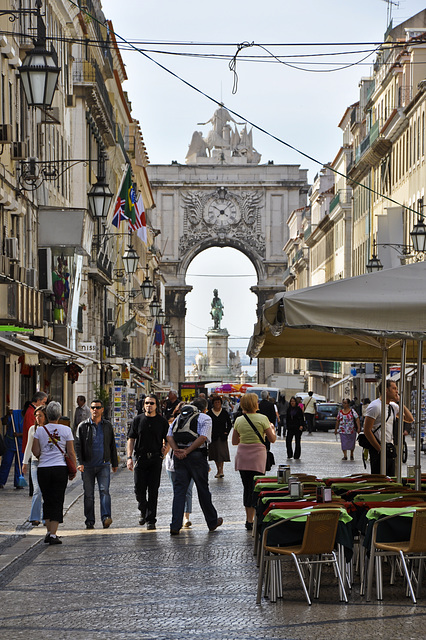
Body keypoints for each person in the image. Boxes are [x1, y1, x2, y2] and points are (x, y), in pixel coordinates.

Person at [167, 397, 223, 535]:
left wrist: (176, 450)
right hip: (196, 456)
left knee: (179, 491)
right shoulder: (204, 418)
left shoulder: (179, 417)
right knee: (203, 489)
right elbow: (203, 437)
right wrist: (188, 451)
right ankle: (212, 521)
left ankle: (175, 525)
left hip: (179, 457)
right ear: (205, 408)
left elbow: (169, 436)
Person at [32, 401, 76, 545]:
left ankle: (48, 531)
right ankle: (53, 533)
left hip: (44, 469)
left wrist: (44, 455)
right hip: (59, 468)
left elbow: (35, 451)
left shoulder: (39, 431)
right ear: (59, 415)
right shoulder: (66, 430)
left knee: (47, 499)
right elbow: (70, 452)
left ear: (47, 415)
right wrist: (73, 468)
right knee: (57, 499)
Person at [233, 392, 276, 530]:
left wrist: (245, 437)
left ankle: (248, 520)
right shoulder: (263, 419)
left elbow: (234, 441)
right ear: (253, 404)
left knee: (247, 487)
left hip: (243, 455)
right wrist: (272, 429)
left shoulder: (239, 420)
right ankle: (258, 518)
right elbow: (272, 439)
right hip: (258, 456)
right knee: (257, 487)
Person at [74, 399, 118, 530]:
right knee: (88, 494)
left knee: (104, 491)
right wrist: (79, 462)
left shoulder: (107, 426)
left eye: (98, 407)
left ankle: (106, 517)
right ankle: (89, 520)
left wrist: (114, 462)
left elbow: (112, 445)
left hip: (103, 464)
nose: (95, 410)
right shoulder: (83, 426)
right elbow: (77, 445)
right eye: (93, 407)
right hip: (87, 466)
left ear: (102, 409)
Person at [127, 394, 169, 530]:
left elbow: (168, 439)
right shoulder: (138, 420)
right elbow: (131, 439)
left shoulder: (162, 422)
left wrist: (165, 450)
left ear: (156, 405)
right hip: (140, 458)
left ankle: (151, 519)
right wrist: (129, 457)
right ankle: (143, 510)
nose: (148, 406)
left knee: (153, 490)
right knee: (139, 489)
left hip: (156, 458)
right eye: (146, 403)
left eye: (151, 403)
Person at [363, 380, 413, 476]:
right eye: (394, 388)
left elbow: (410, 419)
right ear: (386, 390)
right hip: (378, 449)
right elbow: (367, 430)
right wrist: (379, 449)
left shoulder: (393, 406)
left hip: (389, 448)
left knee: (391, 479)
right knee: (380, 479)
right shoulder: (375, 406)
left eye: (397, 389)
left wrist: (400, 402)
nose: (396, 391)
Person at [165, 402, 194, 528]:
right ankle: (178, 518)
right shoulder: (171, 425)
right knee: (178, 491)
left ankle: (185, 517)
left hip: (190, 461)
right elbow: (166, 445)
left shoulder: (195, 424)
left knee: (188, 490)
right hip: (172, 463)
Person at [23, 406, 48, 525]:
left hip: (47, 463)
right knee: (37, 490)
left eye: (40, 415)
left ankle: (45, 517)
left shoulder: (49, 429)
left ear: (46, 417)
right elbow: (28, 446)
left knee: (46, 491)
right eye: (36, 415)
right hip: (35, 463)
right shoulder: (32, 429)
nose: (38, 418)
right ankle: (34, 517)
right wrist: (24, 463)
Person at [207, 395, 232, 478]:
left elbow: (229, 424)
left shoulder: (224, 412)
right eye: (215, 402)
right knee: (215, 454)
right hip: (213, 436)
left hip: (222, 436)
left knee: (221, 454)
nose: (217, 404)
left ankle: (221, 470)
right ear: (213, 403)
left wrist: (226, 432)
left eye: (218, 402)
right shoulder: (209, 413)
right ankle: (218, 469)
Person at [0, 409, 24, 489]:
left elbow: (30, 431)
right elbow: (4, 422)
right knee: (6, 462)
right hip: (10, 442)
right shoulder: (14, 414)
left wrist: (19, 434)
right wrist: (7, 415)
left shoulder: (30, 417)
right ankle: (1, 481)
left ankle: (19, 482)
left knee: (20, 464)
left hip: (21, 443)